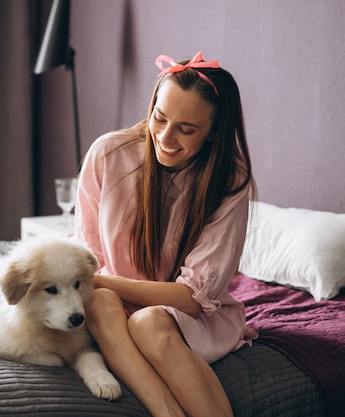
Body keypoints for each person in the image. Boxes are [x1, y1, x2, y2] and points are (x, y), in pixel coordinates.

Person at [74, 52, 257, 417]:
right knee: (97, 301)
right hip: (111, 304)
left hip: (188, 315)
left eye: (187, 129)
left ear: (213, 133)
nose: (165, 137)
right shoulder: (108, 154)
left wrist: (104, 283)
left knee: (149, 321)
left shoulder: (230, 180)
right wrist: (99, 284)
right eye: (159, 118)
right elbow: (86, 262)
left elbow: (190, 298)